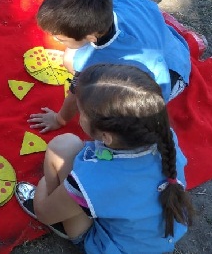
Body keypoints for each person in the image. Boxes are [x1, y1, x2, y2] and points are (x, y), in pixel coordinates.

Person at [16, 63, 194, 253]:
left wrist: (47, 183)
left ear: (106, 136)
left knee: (60, 148)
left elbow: (44, 213)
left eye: (81, 111)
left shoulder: (94, 179)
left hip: (107, 243)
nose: (78, 114)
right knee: (67, 149)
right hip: (154, 237)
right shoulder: (164, 136)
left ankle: (62, 216)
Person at [29, 0, 190, 133]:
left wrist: (59, 119)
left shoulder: (92, 61)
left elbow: (76, 94)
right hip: (174, 51)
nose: (55, 40)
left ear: (91, 37)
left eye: (60, 39)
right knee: (71, 58)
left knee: (99, 99)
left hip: (168, 82)